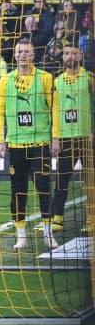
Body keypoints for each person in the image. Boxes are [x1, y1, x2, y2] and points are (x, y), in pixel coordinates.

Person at [0, 38, 56, 250]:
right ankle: (21, 235)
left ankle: (48, 233)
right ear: (14, 55)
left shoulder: (46, 79)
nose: (23, 55)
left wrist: (55, 137)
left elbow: (54, 110)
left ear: (33, 55)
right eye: (19, 52)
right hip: (16, 146)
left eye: (27, 52)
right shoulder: (5, 81)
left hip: (40, 144)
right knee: (18, 191)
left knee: (44, 188)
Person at [49, 44, 94, 233]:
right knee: (61, 180)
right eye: (66, 53)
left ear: (80, 55)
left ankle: (92, 218)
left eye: (73, 53)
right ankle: (56, 218)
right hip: (66, 138)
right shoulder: (57, 81)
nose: (69, 56)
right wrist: (55, 137)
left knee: (90, 181)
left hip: (86, 137)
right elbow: (54, 111)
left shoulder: (89, 78)